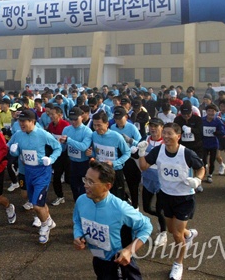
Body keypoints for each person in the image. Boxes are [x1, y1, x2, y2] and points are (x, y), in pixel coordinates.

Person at [139, 123, 205, 280]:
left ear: (178, 136)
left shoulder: (186, 153)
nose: (167, 137)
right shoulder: (158, 150)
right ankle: (188, 234)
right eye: (165, 133)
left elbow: (201, 167)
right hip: (166, 196)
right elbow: (144, 166)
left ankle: (178, 264)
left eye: (170, 134)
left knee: (176, 235)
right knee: (172, 230)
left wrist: (197, 179)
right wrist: (141, 152)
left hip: (184, 198)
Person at [73, 160, 151, 280]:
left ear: (107, 186)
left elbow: (146, 226)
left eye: (91, 182)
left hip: (120, 263)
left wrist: (129, 251)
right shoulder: (81, 201)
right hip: (98, 260)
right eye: (85, 179)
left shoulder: (120, 208)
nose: (86, 185)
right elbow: (77, 221)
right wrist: (78, 236)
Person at [8, 109, 62, 244]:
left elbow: (58, 147)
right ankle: (48, 220)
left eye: (24, 121)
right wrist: (13, 151)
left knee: (37, 205)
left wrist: (51, 159)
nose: (21, 124)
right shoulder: (18, 135)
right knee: (35, 202)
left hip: (42, 172)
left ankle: (44, 228)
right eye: (19, 121)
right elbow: (11, 149)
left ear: (32, 121)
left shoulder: (43, 134)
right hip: (28, 172)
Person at [135, 117, 168, 247]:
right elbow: (137, 152)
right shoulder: (145, 140)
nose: (153, 128)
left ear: (162, 128)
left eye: (156, 126)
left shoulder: (165, 143)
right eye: (151, 126)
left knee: (160, 208)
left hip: (161, 181)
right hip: (147, 179)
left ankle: (163, 232)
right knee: (147, 208)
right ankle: (163, 219)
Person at [59, 107, 93, 202]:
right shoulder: (66, 129)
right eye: (71, 119)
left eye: (75, 119)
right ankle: (77, 203)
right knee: (73, 185)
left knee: (84, 187)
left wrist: (68, 140)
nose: (73, 122)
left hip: (84, 163)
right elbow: (63, 148)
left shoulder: (87, 131)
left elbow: (83, 147)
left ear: (81, 117)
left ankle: (84, 204)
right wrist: (59, 144)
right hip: (72, 162)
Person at [46, 106, 70, 206]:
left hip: (67, 155)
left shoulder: (66, 125)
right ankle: (60, 196)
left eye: (53, 114)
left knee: (70, 179)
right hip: (57, 155)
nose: (50, 116)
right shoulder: (50, 125)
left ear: (60, 115)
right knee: (56, 177)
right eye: (50, 114)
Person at [200, 104, 225, 186]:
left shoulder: (218, 121)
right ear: (206, 112)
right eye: (209, 111)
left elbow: (223, 132)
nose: (211, 113)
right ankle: (203, 173)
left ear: (216, 112)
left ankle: (210, 175)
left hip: (214, 144)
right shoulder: (202, 120)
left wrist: (217, 132)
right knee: (203, 160)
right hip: (204, 143)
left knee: (212, 161)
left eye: (213, 111)